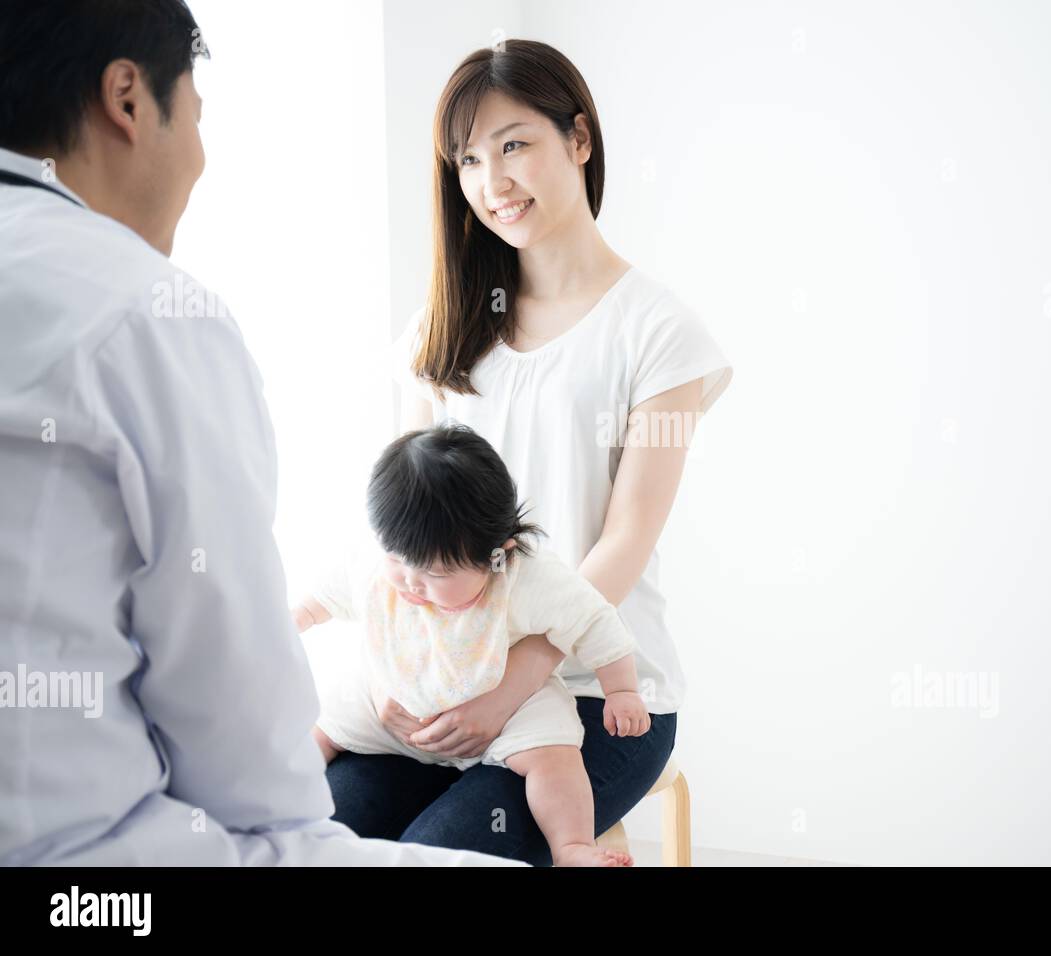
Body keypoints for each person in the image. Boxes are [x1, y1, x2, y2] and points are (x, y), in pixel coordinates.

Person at [0, 0, 521, 866]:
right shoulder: (148, 315)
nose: (199, 159)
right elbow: (248, 769)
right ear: (128, 100)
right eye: (195, 116)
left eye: (513, 146)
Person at [325, 39, 734, 865]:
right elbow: (403, 536)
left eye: (515, 144)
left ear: (578, 139)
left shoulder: (659, 333)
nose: (493, 182)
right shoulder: (440, 335)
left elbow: (623, 542)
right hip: (444, 683)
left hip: (595, 696)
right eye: (469, 159)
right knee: (322, 837)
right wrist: (383, 675)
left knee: (442, 856)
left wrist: (514, 685)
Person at [295, 425, 649, 866]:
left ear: (497, 554)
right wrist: (295, 619)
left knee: (553, 755)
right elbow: (326, 594)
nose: (410, 582)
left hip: (506, 704)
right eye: (397, 559)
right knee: (324, 724)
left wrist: (622, 690)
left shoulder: (526, 578)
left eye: (436, 574)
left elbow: (596, 621)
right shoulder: (381, 561)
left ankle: (572, 846)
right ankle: (280, 796)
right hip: (398, 706)